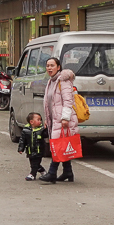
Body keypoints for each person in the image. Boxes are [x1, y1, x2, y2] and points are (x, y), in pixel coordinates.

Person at [39, 56, 78, 184]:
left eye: (52, 65)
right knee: (62, 144)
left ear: (58, 67)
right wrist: (47, 118)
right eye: (47, 66)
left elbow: (68, 101)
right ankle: (68, 172)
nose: (49, 68)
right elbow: (49, 103)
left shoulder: (63, 81)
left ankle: (52, 172)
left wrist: (65, 118)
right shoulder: (51, 81)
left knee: (58, 146)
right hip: (54, 119)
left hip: (63, 119)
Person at [17, 112, 49, 181]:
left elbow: (46, 135)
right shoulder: (26, 130)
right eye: (38, 120)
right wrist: (21, 148)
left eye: (40, 120)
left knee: (35, 163)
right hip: (30, 150)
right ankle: (42, 170)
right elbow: (22, 140)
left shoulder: (41, 130)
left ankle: (32, 174)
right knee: (33, 163)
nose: (40, 121)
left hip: (39, 150)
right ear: (31, 122)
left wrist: (46, 128)